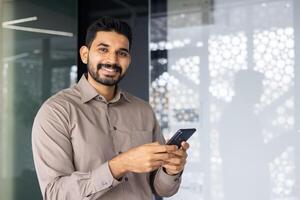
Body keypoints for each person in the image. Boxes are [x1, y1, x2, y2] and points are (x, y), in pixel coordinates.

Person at [32, 16, 189, 200]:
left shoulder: (143, 111)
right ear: (85, 54)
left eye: (121, 53)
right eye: (103, 49)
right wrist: (120, 165)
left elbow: (162, 190)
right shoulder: (56, 112)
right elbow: (55, 194)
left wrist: (170, 170)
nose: (112, 60)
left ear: (128, 60)